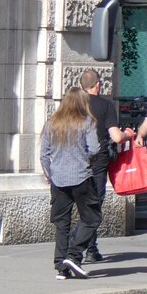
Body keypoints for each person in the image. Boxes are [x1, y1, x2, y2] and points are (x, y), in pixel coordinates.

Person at [40, 86, 101, 279]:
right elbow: (94, 148)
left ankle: (61, 266)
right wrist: (83, 157)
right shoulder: (87, 122)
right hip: (81, 177)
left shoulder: (52, 123)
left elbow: (44, 155)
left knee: (62, 223)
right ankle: (74, 256)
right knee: (92, 218)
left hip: (58, 180)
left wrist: (51, 174)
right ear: (82, 103)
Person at [80, 69, 126, 263]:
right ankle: (90, 248)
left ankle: (69, 249)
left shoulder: (75, 106)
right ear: (98, 85)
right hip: (98, 161)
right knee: (95, 203)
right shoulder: (105, 106)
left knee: (80, 203)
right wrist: (128, 135)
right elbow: (116, 137)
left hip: (76, 160)